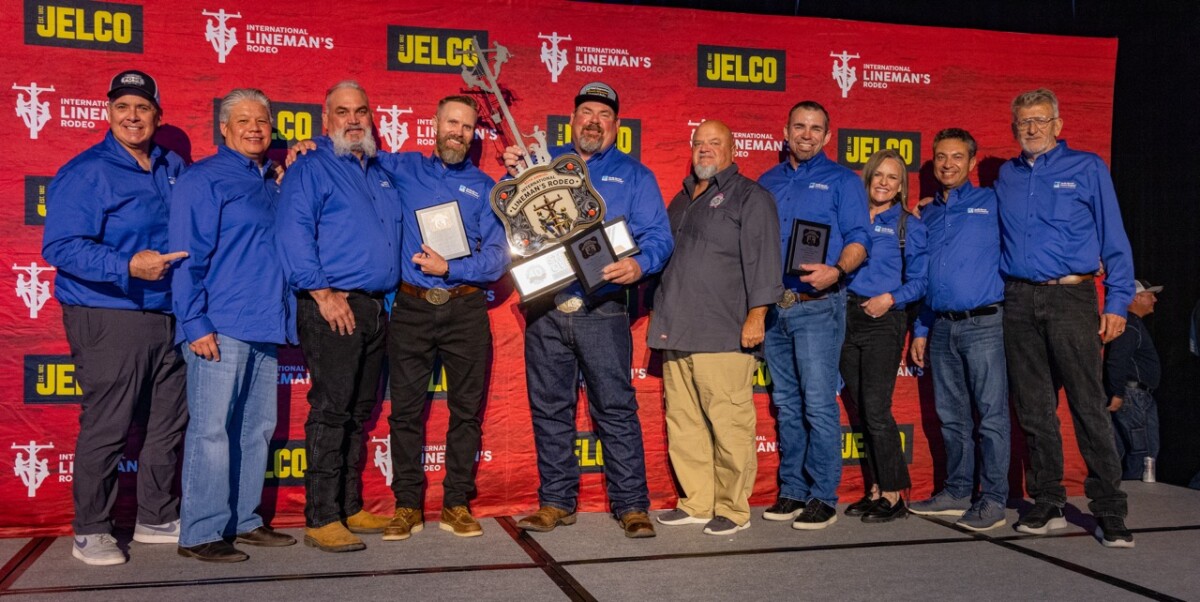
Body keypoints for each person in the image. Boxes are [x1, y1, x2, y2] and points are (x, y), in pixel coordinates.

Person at [504, 82, 673, 538]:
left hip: (603, 309)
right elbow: (514, 226)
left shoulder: (635, 176)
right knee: (550, 408)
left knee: (615, 407)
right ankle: (556, 502)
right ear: (572, 120)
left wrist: (639, 264)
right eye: (586, 113)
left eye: (603, 114)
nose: (594, 121)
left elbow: (659, 236)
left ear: (616, 125)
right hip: (546, 308)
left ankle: (632, 504)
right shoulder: (542, 167)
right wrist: (513, 179)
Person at [42, 70, 189, 565]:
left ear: (157, 116)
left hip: (169, 311)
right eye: (123, 106)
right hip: (108, 310)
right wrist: (125, 264)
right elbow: (60, 246)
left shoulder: (172, 164)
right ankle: (92, 528)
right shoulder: (86, 171)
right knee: (110, 422)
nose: (132, 116)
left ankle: (155, 516)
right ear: (108, 113)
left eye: (142, 107)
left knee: (168, 423)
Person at [995, 88, 1136, 548]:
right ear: (1014, 127)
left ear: (1058, 124)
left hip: (1072, 299)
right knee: (1034, 409)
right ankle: (1048, 501)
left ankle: (1110, 510)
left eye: (1040, 120)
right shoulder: (1005, 176)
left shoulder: (1088, 168)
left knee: (1088, 406)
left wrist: (1117, 303)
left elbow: (1115, 238)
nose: (1031, 129)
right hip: (1018, 300)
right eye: (1023, 122)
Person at [169, 89, 298, 562]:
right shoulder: (203, 179)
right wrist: (195, 322)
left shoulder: (271, 182)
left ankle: (244, 521)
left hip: (267, 324)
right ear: (223, 129)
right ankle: (201, 532)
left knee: (257, 428)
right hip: (218, 325)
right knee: (211, 431)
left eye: (262, 120)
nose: (254, 128)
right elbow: (185, 256)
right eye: (242, 120)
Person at [276, 80, 401, 552]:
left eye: (362, 111)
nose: (353, 119)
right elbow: (293, 233)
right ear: (325, 119)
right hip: (332, 304)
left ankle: (348, 505)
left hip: (374, 307)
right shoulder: (310, 168)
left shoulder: (378, 171)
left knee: (358, 411)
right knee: (331, 409)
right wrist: (323, 294)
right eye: (343, 111)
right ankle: (321, 516)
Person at [380, 96, 508, 541]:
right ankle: (406, 505)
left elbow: (497, 258)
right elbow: (350, 147)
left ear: (474, 134)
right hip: (411, 307)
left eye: (467, 127)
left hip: (465, 308)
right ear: (434, 123)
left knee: (466, 412)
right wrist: (306, 146)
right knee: (406, 414)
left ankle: (456, 502)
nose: (458, 132)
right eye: (452, 122)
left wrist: (451, 268)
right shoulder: (400, 167)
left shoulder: (486, 187)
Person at [648, 120, 782, 536]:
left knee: (730, 425)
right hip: (676, 329)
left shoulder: (751, 197)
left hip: (724, 332)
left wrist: (757, 316)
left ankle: (733, 508)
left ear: (732, 147)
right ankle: (697, 502)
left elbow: (763, 261)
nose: (705, 150)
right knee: (684, 424)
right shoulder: (681, 199)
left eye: (714, 143)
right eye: (699, 143)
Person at [758, 100, 870, 530]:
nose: (806, 134)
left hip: (820, 307)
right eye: (799, 126)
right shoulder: (766, 181)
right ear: (785, 131)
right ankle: (792, 490)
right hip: (776, 308)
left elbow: (861, 239)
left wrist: (837, 270)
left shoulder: (842, 180)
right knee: (786, 404)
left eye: (815, 128)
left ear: (827, 136)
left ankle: (823, 495)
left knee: (819, 404)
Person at [907, 129, 1009, 532]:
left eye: (957, 157)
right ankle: (957, 491)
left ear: (971, 161)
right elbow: (924, 274)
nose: (948, 164)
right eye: (941, 157)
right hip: (940, 328)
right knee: (951, 417)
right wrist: (920, 327)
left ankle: (994, 498)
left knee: (991, 416)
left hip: (985, 324)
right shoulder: (926, 213)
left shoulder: (993, 202)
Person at [839, 149, 928, 523]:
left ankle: (894, 494)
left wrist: (891, 299)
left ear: (901, 186)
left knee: (876, 409)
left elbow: (922, 281)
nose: (884, 183)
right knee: (861, 408)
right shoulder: (851, 219)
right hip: (848, 315)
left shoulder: (910, 225)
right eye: (879, 175)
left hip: (884, 320)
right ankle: (875, 489)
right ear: (868, 178)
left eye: (893, 178)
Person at [1104, 279, 1162, 480]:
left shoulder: (1131, 323)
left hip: (1132, 396)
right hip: (1134, 396)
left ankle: (1119, 493)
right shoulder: (1129, 323)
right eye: (1150, 295)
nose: (1154, 299)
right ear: (1136, 297)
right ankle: (1140, 500)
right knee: (1144, 451)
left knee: (1120, 450)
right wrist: (1118, 392)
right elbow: (1117, 359)